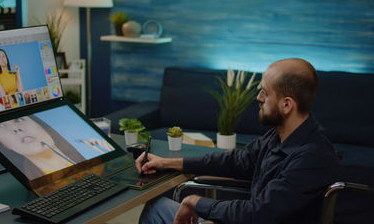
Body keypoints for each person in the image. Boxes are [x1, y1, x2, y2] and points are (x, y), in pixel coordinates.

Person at [136, 58, 339, 224]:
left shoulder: (311, 157)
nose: (258, 97)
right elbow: (237, 161)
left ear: (286, 105)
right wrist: (168, 163)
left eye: (265, 93)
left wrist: (196, 202)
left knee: (158, 212)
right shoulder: (280, 134)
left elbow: (258, 213)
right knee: (156, 207)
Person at [0, 115, 86, 179]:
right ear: (2, 144)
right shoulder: (30, 180)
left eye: (19, 119)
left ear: (40, 125)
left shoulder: (87, 149)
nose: (15, 128)